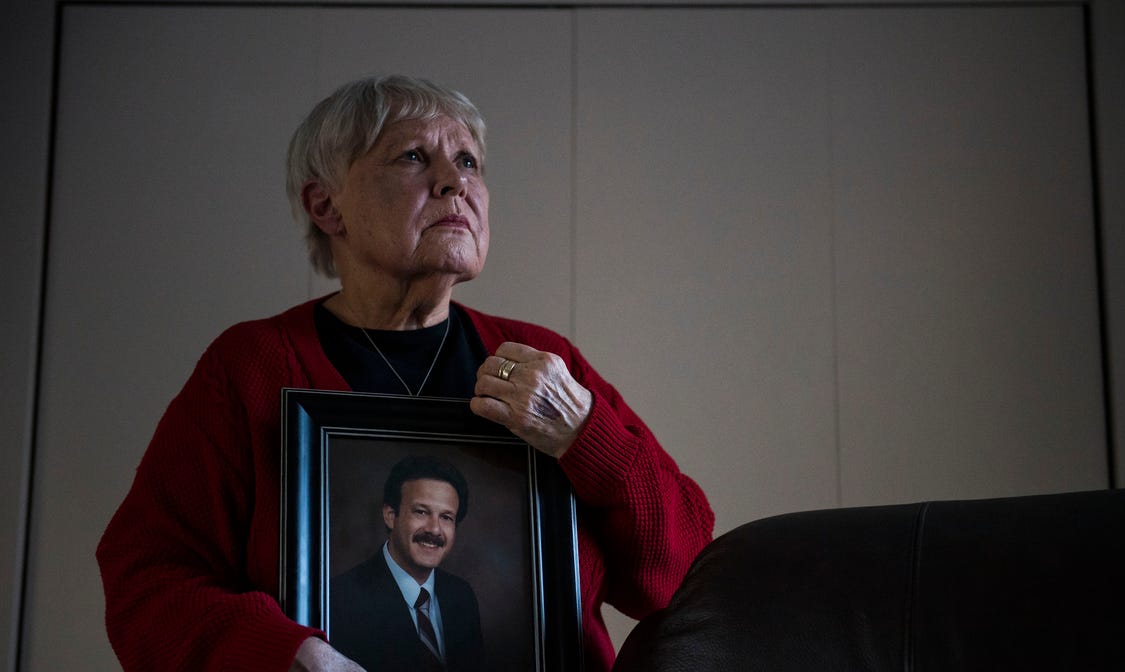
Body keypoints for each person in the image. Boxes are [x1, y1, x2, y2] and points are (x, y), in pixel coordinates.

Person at [96, 74, 714, 672]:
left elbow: (687, 575)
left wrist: (588, 438)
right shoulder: (252, 367)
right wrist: (283, 656)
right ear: (326, 205)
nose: (455, 184)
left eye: (469, 163)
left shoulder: (542, 358)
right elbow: (147, 578)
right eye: (414, 157)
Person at [330, 456, 483, 672]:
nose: (435, 529)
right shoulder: (340, 599)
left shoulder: (462, 597)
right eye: (421, 512)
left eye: (446, 517)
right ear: (390, 516)